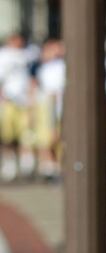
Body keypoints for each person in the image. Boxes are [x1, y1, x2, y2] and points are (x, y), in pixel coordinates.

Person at [0, 34, 37, 181]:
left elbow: (33, 77)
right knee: (7, 134)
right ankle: (9, 164)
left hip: (25, 101)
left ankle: (26, 162)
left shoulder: (28, 54)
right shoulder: (4, 55)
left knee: (26, 134)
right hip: (9, 100)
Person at [32, 38, 66, 179]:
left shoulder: (62, 65)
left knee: (59, 138)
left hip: (60, 108)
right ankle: (49, 165)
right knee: (48, 137)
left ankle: (56, 165)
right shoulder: (45, 67)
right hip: (49, 107)